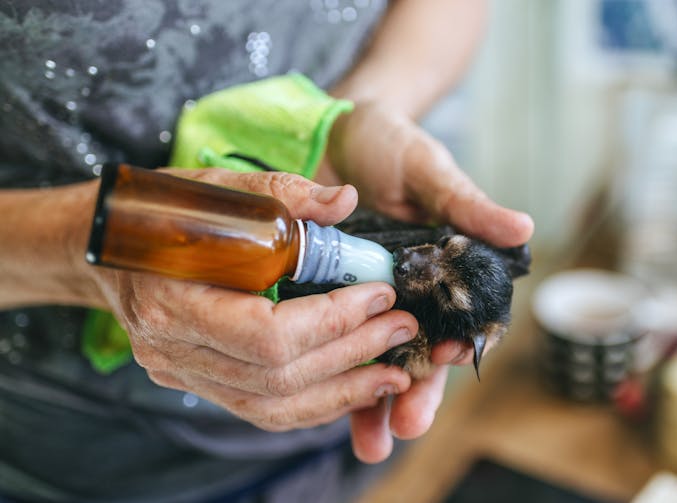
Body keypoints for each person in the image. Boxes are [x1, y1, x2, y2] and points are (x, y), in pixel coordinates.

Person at [0, 1, 534, 501]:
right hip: (86, 455)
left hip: (341, 441)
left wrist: (356, 113)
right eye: (439, 251)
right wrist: (81, 248)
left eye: (440, 275)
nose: (418, 260)